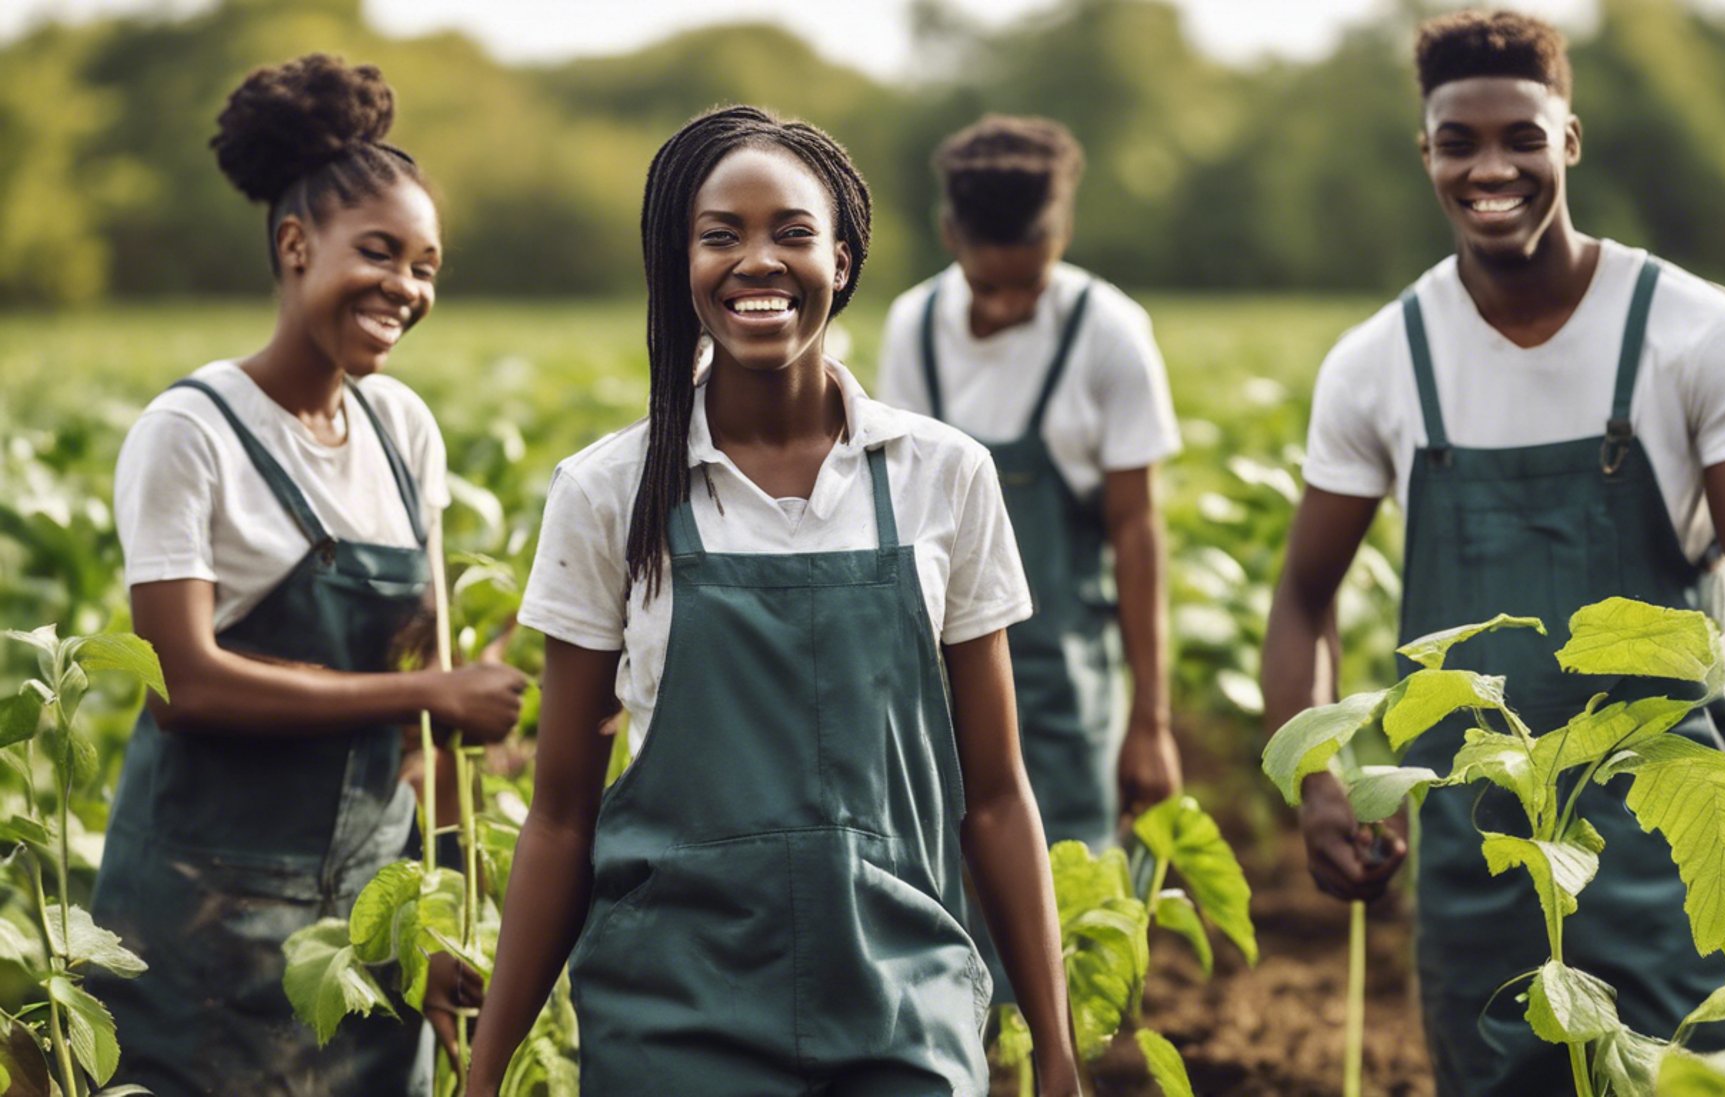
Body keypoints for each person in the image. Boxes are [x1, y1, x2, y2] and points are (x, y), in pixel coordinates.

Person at [466, 106, 1077, 1097]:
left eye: (792, 231)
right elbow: (562, 814)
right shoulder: (609, 490)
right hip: (673, 1017)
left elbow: (999, 795)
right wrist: (485, 1070)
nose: (758, 260)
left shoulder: (942, 476)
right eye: (721, 235)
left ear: (842, 259)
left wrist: (1055, 1047)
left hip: (902, 1005)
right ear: (680, 262)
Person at [1259, 12, 1725, 1095]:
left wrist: (1704, 666)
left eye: (1520, 135)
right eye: (1457, 142)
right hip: (1481, 852)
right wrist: (1322, 786)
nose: (1490, 166)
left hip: (1668, 842)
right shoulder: (1382, 361)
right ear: (1425, 154)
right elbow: (1302, 593)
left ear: (1569, 138)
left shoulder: (1698, 334)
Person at [94, 54, 526, 1094]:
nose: (406, 289)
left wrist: (449, 908)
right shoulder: (189, 432)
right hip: (205, 926)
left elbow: (442, 712)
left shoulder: (400, 429)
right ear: (296, 245)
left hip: (366, 924)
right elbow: (184, 680)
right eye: (379, 254)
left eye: (426, 267)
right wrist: (428, 690)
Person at [878, 114, 1184, 858]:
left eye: (1029, 283)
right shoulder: (913, 327)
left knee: (1074, 876)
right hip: (937, 673)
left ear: (1065, 230)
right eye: (990, 285)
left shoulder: (1108, 332)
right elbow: (900, 511)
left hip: (1066, 680)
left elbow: (1136, 529)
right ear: (950, 234)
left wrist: (1151, 719)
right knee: (944, 872)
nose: (1010, 307)